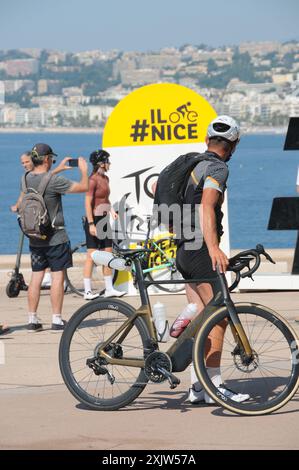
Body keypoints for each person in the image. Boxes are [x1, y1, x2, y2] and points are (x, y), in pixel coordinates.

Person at [174, 115, 249, 404]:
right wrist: (214, 247)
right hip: (200, 252)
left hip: (183, 248)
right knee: (219, 317)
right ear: (234, 145)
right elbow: (206, 205)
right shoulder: (217, 168)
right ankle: (216, 384)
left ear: (207, 140)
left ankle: (197, 387)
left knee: (201, 316)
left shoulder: (191, 165)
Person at [22, 143, 88, 331]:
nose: (52, 161)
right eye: (51, 158)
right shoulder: (55, 181)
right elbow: (83, 187)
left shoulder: (25, 178)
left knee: (36, 276)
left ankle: (32, 319)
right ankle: (57, 319)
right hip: (55, 237)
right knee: (57, 276)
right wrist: (83, 170)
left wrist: (58, 168)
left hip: (34, 236)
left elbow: (43, 179)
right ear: (46, 159)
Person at [83, 149, 125, 299]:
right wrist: (91, 224)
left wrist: (112, 210)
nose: (109, 164)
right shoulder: (92, 180)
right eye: (107, 161)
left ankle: (109, 289)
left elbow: (105, 199)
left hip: (105, 219)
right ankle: (87, 291)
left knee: (108, 255)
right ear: (102, 163)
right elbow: (87, 203)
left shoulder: (105, 179)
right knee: (92, 256)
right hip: (94, 219)